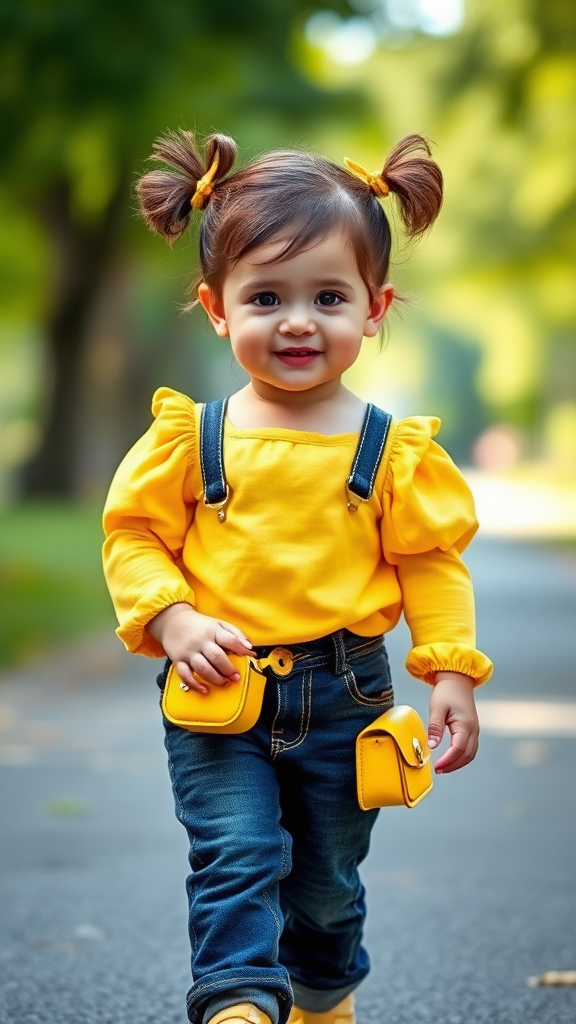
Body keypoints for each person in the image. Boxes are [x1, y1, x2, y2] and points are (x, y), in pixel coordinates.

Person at [102, 130, 492, 1024]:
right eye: (265, 296)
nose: (298, 321)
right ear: (214, 306)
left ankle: (321, 995)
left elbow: (431, 562)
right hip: (218, 688)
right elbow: (131, 538)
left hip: (345, 688)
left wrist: (451, 672)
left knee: (323, 885)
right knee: (235, 855)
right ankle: (238, 1001)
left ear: (376, 305)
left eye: (328, 296)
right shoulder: (187, 439)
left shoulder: (391, 451)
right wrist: (171, 621)